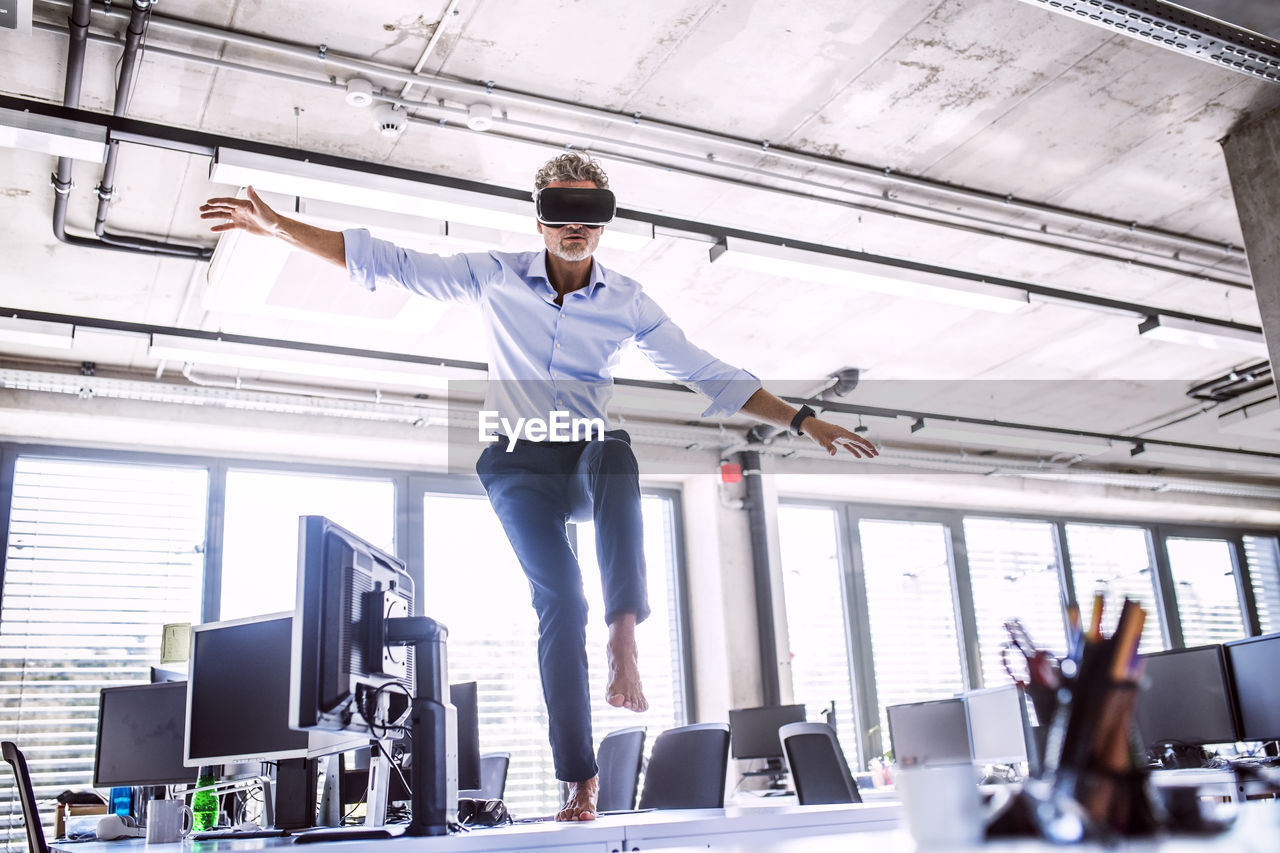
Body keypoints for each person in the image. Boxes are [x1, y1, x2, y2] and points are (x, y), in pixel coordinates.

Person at [200, 153, 878, 821]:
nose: (574, 227)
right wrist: (280, 228)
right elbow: (391, 263)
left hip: (583, 457)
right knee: (558, 601)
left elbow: (707, 372)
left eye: (589, 213)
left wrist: (804, 419)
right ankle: (578, 780)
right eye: (561, 212)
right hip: (518, 467)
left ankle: (623, 637)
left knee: (616, 452)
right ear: (540, 219)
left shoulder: (627, 303)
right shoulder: (494, 277)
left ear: (604, 224)